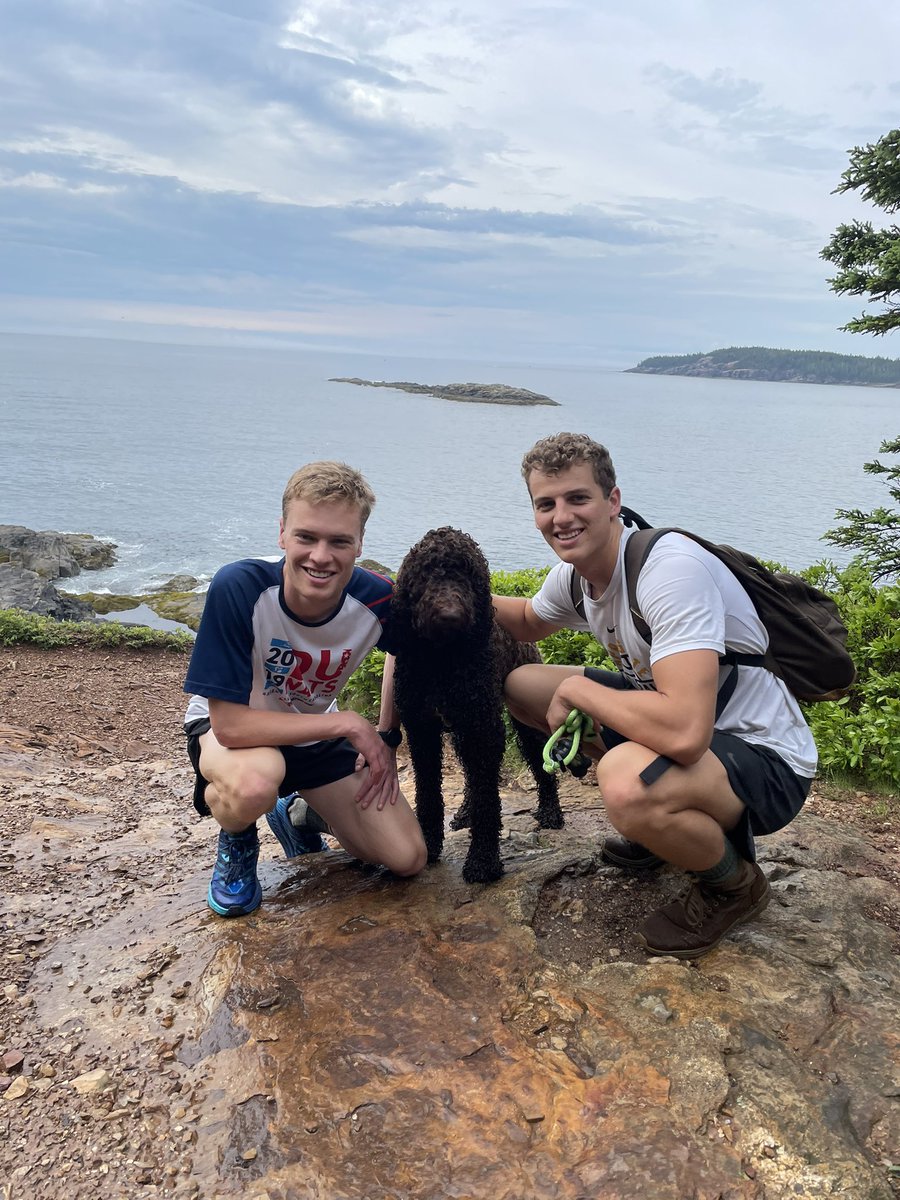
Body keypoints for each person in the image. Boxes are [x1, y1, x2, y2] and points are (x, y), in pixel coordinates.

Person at [491, 433, 817, 958]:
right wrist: (440, 586)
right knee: (524, 686)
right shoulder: (577, 577)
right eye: (545, 504)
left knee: (624, 784)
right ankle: (663, 827)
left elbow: (687, 734)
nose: (562, 517)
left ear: (613, 501)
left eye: (578, 499)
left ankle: (732, 884)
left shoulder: (668, 572)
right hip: (685, 727)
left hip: (764, 758)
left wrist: (579, 690)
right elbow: (526, 623)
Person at [183, 461, 427, 917]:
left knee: (405, 858)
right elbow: (231, 725)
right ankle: (237, 836)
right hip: (233, 734)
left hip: (312, 733)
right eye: (306, 537)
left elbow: (405, 651)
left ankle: (298, 814)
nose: (320, 556)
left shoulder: (377, 600)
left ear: (360, 543)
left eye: (339, 541)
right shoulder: (240, 587)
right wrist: (351, 723)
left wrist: (387, 732)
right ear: (282, 534)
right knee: (256, 782)